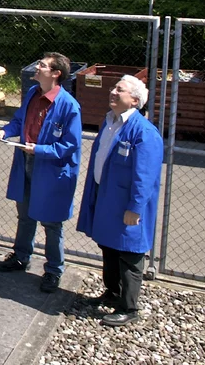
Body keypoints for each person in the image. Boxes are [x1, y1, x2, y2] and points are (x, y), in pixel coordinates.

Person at [0, 52, 82, 293]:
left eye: (42, 65)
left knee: (51, 224)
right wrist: (4, 131)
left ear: (55, 74)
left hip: (50, 171)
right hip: (26, 164)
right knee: (25, 215)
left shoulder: (69, 106)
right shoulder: (32, 94)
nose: (36, 68)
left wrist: (39, 150)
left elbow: (69, 145)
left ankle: (53, 271)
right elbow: (19, 122)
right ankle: (21, 257)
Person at [76, 74, 163, 327]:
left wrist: (134, 208)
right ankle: (112, 293)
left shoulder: (144, 133)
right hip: (107, 198)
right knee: (109, 248)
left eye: (120, 90)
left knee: (130, 253)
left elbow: (145, 176)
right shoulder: (109, 122)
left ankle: (129, 307)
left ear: (134, 101)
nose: (113, 91)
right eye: (114, 88)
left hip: (126, 205)